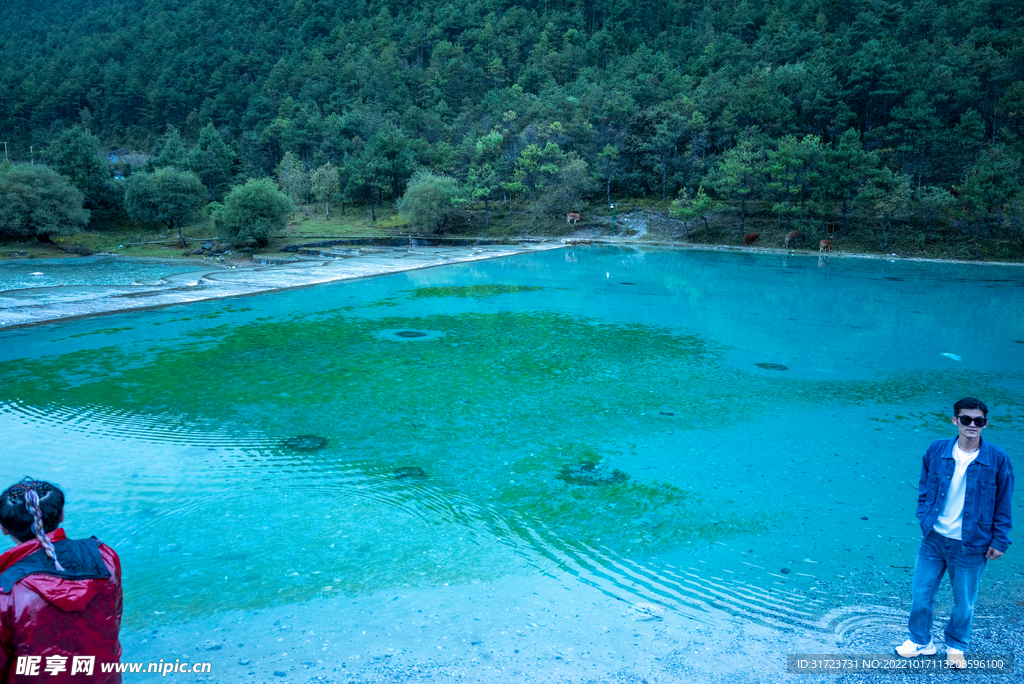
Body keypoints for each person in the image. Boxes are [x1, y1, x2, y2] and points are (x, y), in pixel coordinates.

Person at [896, 398, 1014, 668]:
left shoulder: (997, 458)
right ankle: (920, 641)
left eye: (978, 421)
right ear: (955, 421)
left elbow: (1004, 501)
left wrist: (1000, 539)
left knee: (964, 602)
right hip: (934, 538)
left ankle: (955, 646)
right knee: (921, 594)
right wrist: (923, 515)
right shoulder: (937, 450)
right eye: (966, 419)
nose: (972, 425)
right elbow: (925, 486)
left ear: (985, 423)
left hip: (972, 543)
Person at [0, 479, 123, 683]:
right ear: (62, 515)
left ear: (3, 527)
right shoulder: (104, 556)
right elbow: (114, 619)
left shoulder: (7, 589)